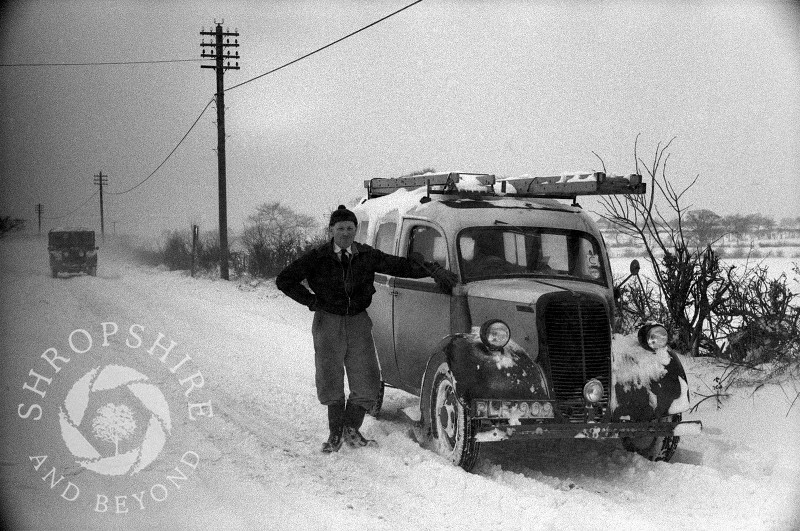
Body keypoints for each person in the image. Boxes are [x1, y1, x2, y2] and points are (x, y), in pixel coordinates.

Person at [276, 205, 458, 453]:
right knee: (330, 378)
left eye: (350, 228)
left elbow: (397, 265)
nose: (345, 233)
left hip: (358, 321)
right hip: (327, 322)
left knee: (367, 380)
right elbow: (284, 280)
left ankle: (351, 428)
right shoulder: (317, 256)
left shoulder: (365, 255)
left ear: (356, 229)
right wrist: (311, 301)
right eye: (340, 228)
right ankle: (335, 434)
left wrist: (430, 269)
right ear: (331, 230)